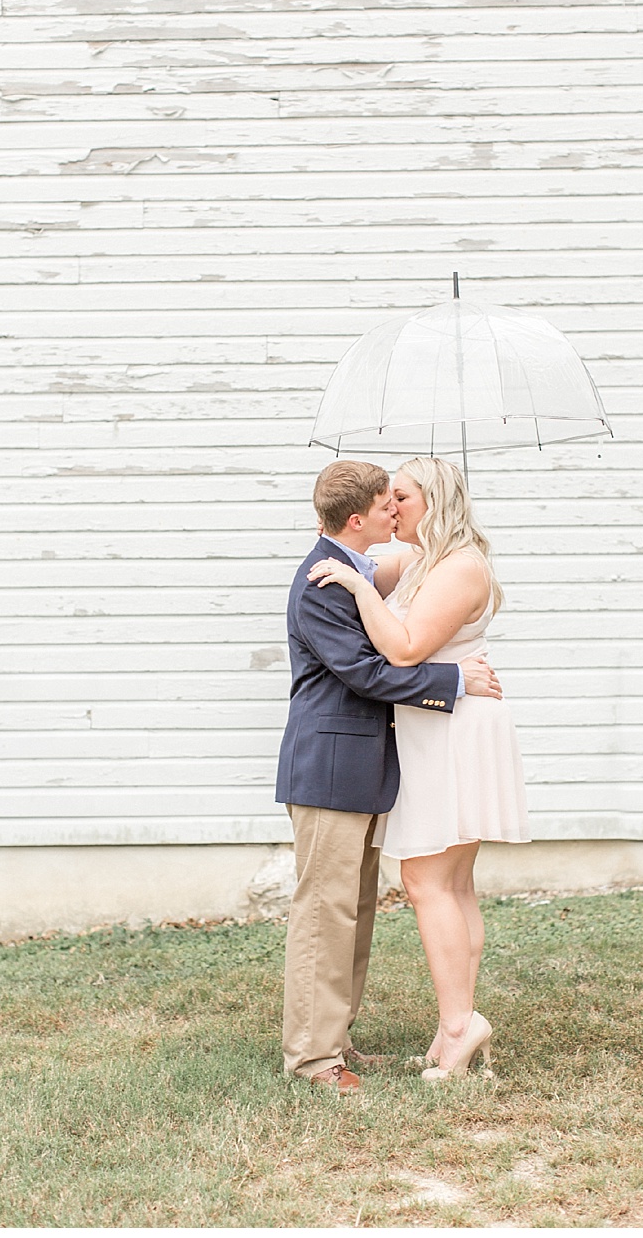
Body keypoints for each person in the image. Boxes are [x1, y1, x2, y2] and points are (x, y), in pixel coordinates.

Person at [277, 460, 501, 1094]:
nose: (394, 513)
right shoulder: (323, 581)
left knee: (354, 912)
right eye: (387, 504)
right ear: (360, 518)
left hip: (366, 764)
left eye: (402, 500)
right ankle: (314, 1060)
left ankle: (335, 1040)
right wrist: (454, 681)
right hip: (328, 766)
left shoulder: (363, 570)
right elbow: (368, 672)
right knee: (325, 912)